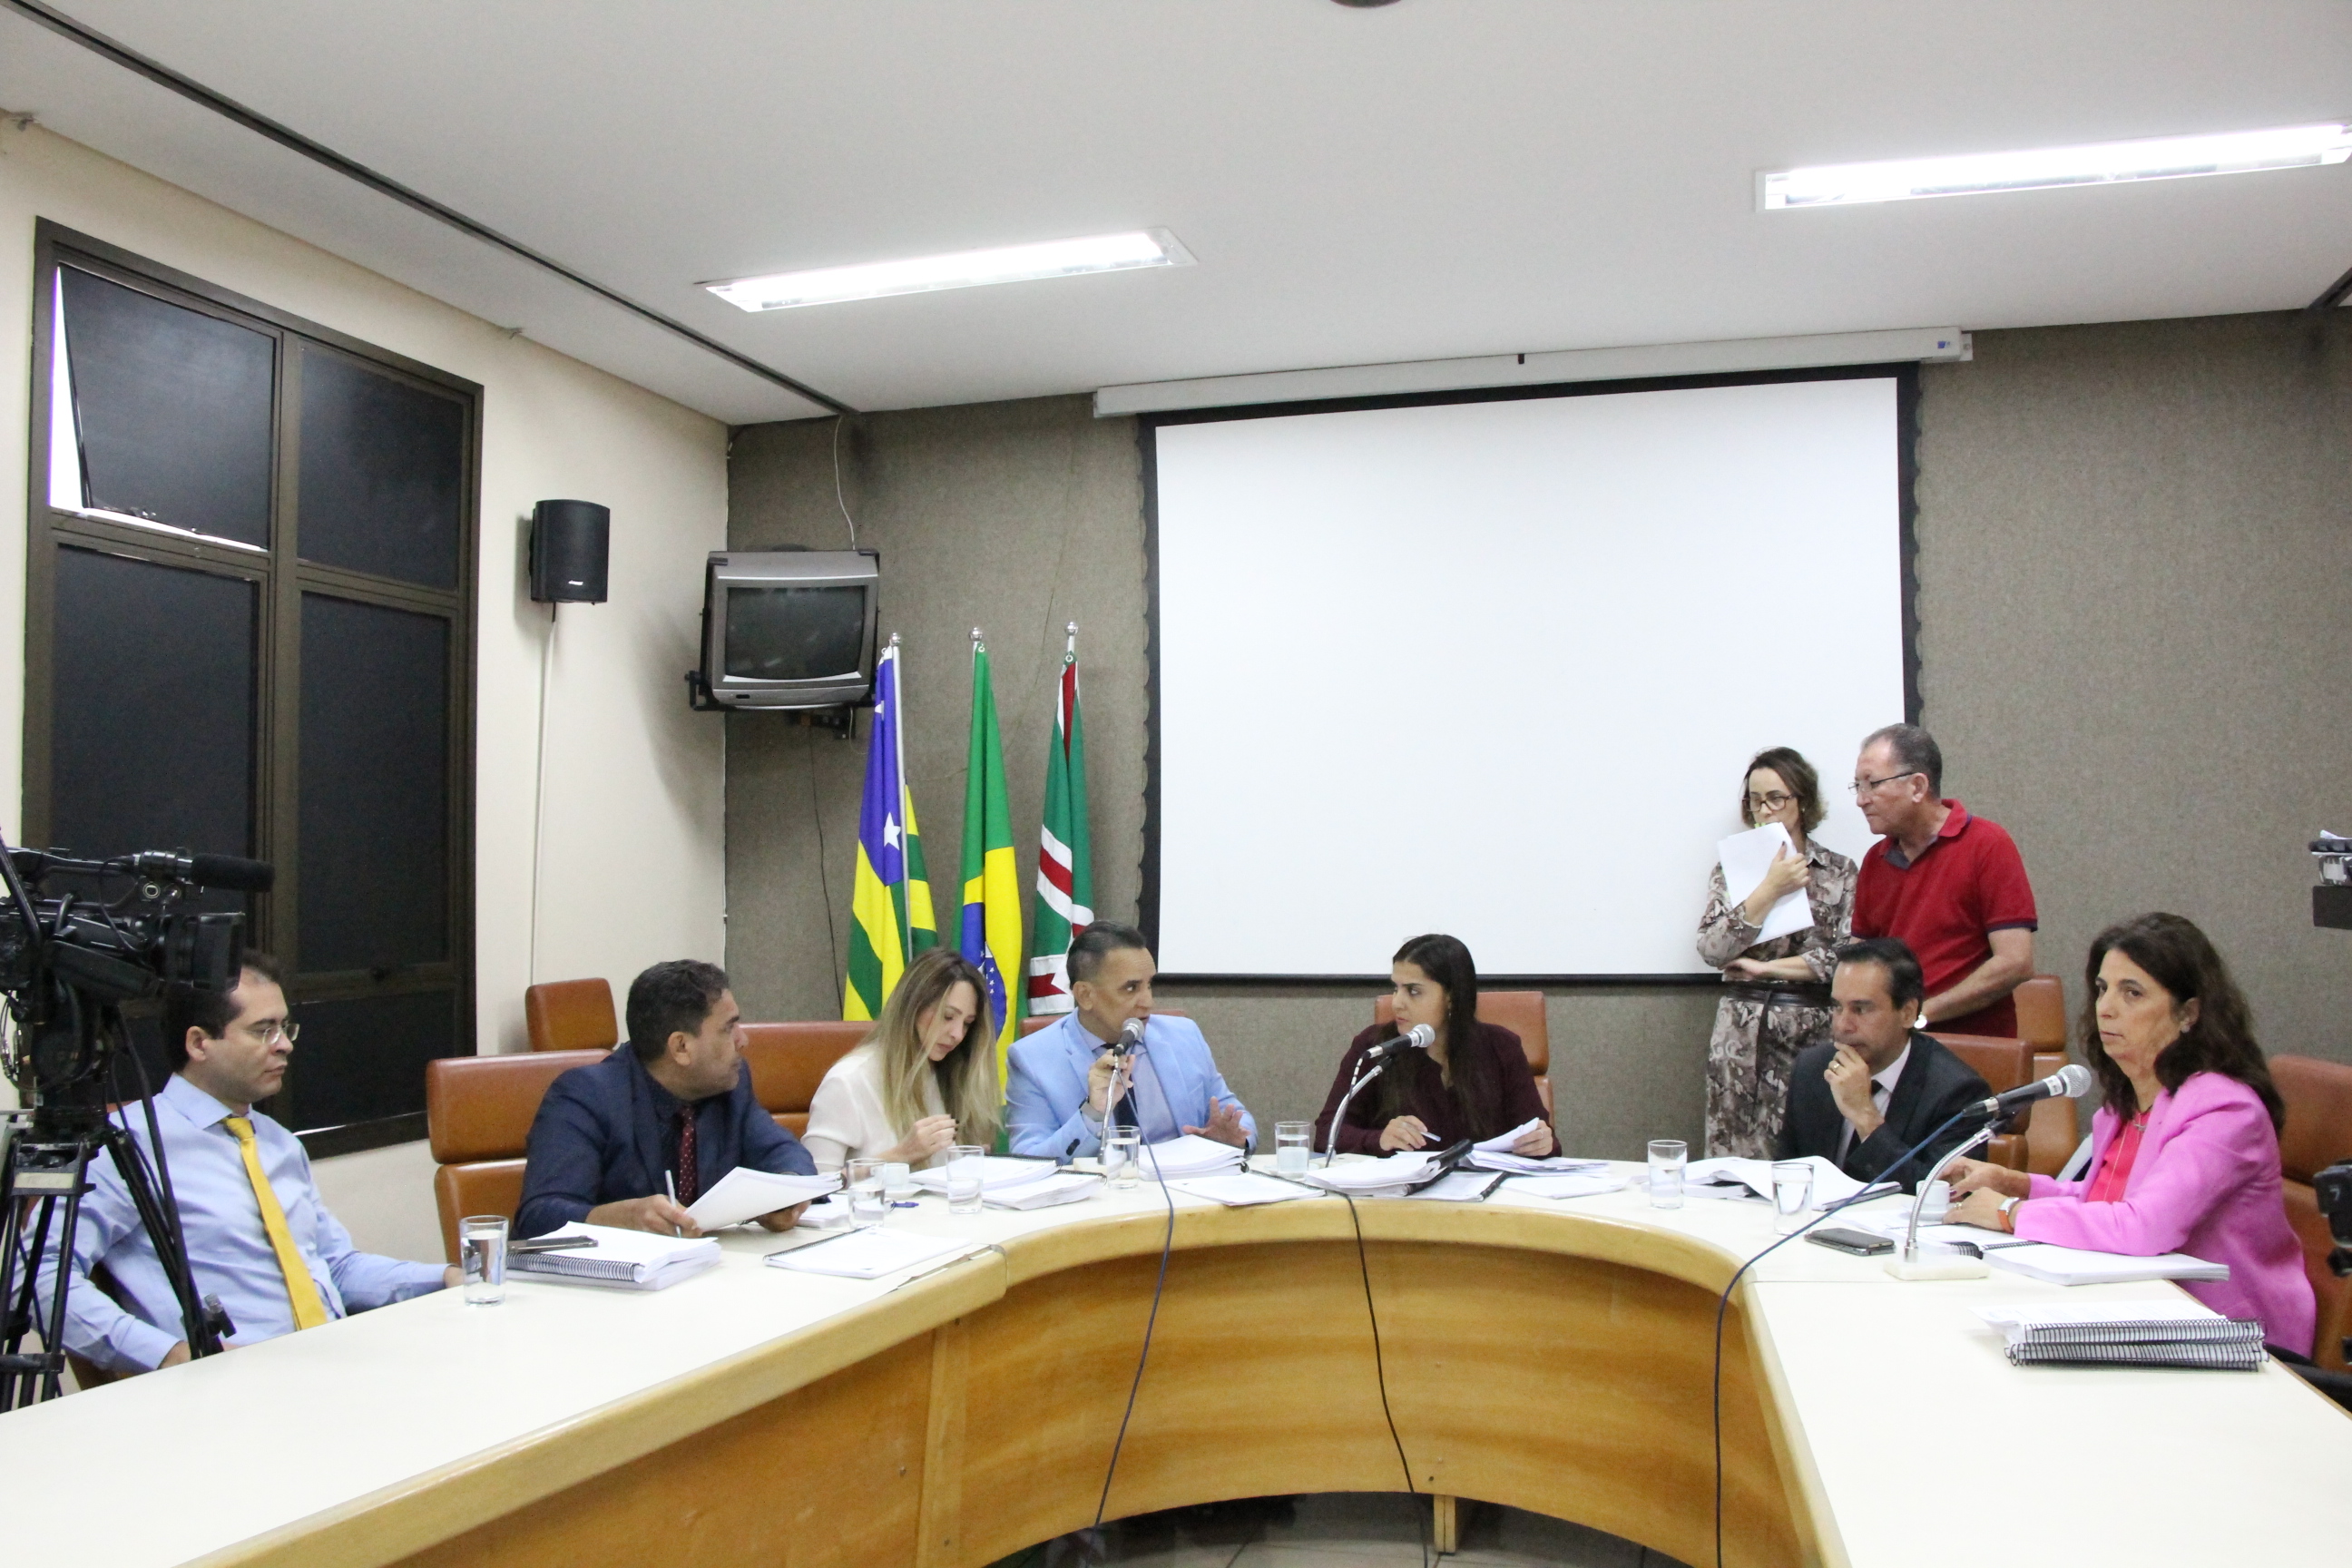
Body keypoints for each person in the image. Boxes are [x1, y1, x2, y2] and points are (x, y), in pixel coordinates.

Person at [36, 953, 455, 1376]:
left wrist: (445, 1278)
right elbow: (37, 1277)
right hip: (230, 1384)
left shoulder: (277, 1143)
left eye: (285, 1027)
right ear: (199, 1043)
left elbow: (336, 1267)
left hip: (331, 1367)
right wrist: (167, 1353)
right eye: (263, 1030)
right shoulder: (129, 1145)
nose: (285, 1044)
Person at [1944, 914, 2315, 1352]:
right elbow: (2108, 1203)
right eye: (2102, 989)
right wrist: (2018, 1185)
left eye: (2132, 993)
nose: (2105, 1008)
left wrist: (2010, 1212)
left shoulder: (2223, 1111)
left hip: (2233, 1332)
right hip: (2144, 1308)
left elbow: (2144, 1226)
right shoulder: (2127, 1104)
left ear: (2188, 1014)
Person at [516, 960, 816, 1237]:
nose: (743, 1040)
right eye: (728, 1028)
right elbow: (537, 1217)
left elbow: (784, 1152)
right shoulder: (586, 1096)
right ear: (681, 1047)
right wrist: (621, 1217)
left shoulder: (729, 1086)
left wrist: (783, 1193)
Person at [1696, 746, 1857, 1157]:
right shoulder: (1732, 869)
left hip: (1811, 1030)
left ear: (1802, 802)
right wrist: (1769, 889)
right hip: (1740, 1033)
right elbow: (1712, 949)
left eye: (1775, 799)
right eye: (1755, 801)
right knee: (1732, 1158)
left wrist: (1767, 969)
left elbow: (1845, 957)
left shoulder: (1839, 871)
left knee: (1803, 1153)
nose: (1764, 812)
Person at [1005, 922, 1254, 1161]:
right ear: (1085, 995)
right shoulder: (1031, 1058)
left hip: (1182, 1186)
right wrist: (1092, 1113)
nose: (1148, 1002)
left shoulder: (1183, 1035)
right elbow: (1029, 1160)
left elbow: (1233, 1113)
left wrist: (1234, 1139)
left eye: (1149, 985)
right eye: (1131, 988)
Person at [1848, 724, 2037, 1036]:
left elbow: (2016, 962)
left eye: (1872, 784)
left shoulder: (1988, 845)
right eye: (1857, 786)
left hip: (1970, 1046)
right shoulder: (1875, 860)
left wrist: (1922, 1015)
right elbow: (1860, 959)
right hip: (1893, 1042)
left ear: (1917, 787)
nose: (1861, 800)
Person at [1775, 938, 1990, 1191]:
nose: (1843, 1025)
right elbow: (1787, 1172)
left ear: (1908, 1013)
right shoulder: (1813, 1068)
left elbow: (1942, 1193)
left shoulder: (1957, 1092)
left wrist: (1866, 1118)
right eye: (1837, 1007)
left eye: (1861, 1009)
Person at [1313, 934, 1554, 1158]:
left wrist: (1542, 1142)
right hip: (1405, 1189)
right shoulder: (1377, 1046)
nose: (1397, 1003)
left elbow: (1542, 1137)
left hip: (1487, 1187)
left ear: (1451, 996)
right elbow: (1327, 1134)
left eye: (1413, 991)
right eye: (1396, 988)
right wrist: (1379, 1139)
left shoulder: (1501, 1047)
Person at [802, 947, 1001, 1172]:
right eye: (947, 1017)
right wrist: (901, 1155)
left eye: (967, 1023)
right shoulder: (847, 1082)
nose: (958, 1034)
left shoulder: (952, 1073)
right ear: (913, 1007)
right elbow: (817, 1186)